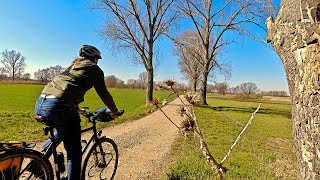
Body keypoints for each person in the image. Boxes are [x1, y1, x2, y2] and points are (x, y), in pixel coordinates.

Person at [34, 44, 121, 180]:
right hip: (60, 106)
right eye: (97, 59)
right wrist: (114, 111)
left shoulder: (72, 66)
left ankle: (36, 163)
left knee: (61, 131)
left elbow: (66, 87)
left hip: (41, 103)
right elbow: (103, 93)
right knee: (74, 153)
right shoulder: (95, 69)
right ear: (95, 58)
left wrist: (76, 108)